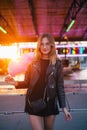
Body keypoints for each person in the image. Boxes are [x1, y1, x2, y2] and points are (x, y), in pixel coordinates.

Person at [5, 33, 72, 130]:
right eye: (42, 44)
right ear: (39, 46)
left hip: (50, 104)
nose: (44, 47)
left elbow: (60, 87)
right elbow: (27, 82)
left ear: (52, 45)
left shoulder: (57, 64)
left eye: (47, 44)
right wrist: (15, 82)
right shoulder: (32, 63)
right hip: (33, 103)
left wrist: (64, 109)